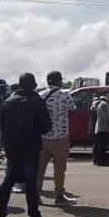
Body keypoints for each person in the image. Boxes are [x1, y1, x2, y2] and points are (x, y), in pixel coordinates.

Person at [0, 73, 54, 217]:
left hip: (11, 147)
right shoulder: (36, 101)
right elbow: (46, 126)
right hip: (31, 146)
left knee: (8, 181)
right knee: (30, 184)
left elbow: (1, 125)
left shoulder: (8, 102)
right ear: (33, 85)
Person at [37, 71, 77, 204]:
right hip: (60, 136)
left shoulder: (40, 95)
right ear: (59, 81)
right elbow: (72, 110)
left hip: (43, 136)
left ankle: (35, 196)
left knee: (40, 168)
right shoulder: (65, 95)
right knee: (59, 169)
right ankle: (59, 196)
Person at [91, 91, 109, 167]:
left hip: (99, 127)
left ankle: (97, 160)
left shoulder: (99, 104)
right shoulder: (105, 104)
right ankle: (101, 160)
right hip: (104, 127)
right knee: (103, 145)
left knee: (99, 145)